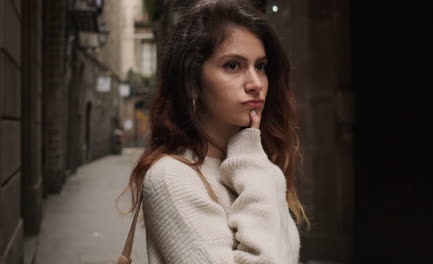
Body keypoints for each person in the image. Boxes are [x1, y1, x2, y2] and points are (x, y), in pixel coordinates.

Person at [120, 0, 310, 263]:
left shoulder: (259, 164)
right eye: (233, 66)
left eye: (261, 66)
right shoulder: (172, 178)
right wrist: (252, 162)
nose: (255, 83)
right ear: (192, 83)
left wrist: (253, 160)